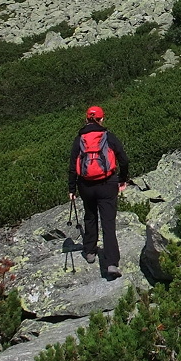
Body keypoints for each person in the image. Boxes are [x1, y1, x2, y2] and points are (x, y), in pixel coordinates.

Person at [69, 105, 129, 278]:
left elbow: (72, 166)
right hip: (108, 183)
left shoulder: (79, 139)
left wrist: (71, 189)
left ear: (86, 119)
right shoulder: (108, 136)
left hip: (86, 185)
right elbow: (124, 160)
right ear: (102, 119)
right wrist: (122, 179)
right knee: (108, 223)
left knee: (90, 216)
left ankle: (90, 251)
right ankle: (111, 263)